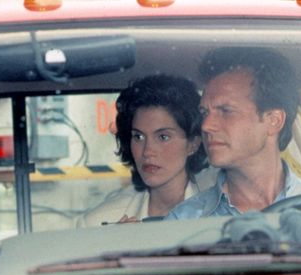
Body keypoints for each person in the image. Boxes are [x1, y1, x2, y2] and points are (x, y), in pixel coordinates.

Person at [167, 47, 301, 219]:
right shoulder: (184, 220)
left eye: (226, 111)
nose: (206, 125)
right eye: (204, 112)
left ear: (274, 120)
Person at [75, 75, 211, 227]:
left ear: (193, 143)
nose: (147, 151)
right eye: (138, 136)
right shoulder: (97, 222)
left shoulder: (221, 213)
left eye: (163, 137)